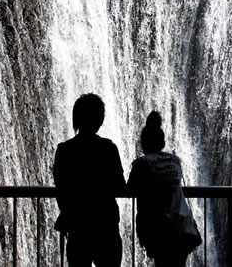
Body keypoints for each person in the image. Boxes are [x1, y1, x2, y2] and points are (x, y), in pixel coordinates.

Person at [53, 93, 126, 267]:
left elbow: (60, 188)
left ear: (76, 118)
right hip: (106, 225)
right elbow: (120, 186)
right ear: (100, 119)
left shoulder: (64, 150)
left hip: (77, 227)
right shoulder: (109, 148)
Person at [127, 111, 201, 267]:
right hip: (183, 225)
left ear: (143, 142)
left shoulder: (142, 163)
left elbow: (130, 188)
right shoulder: (175, 160)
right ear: (162, 142)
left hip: (161, 228)